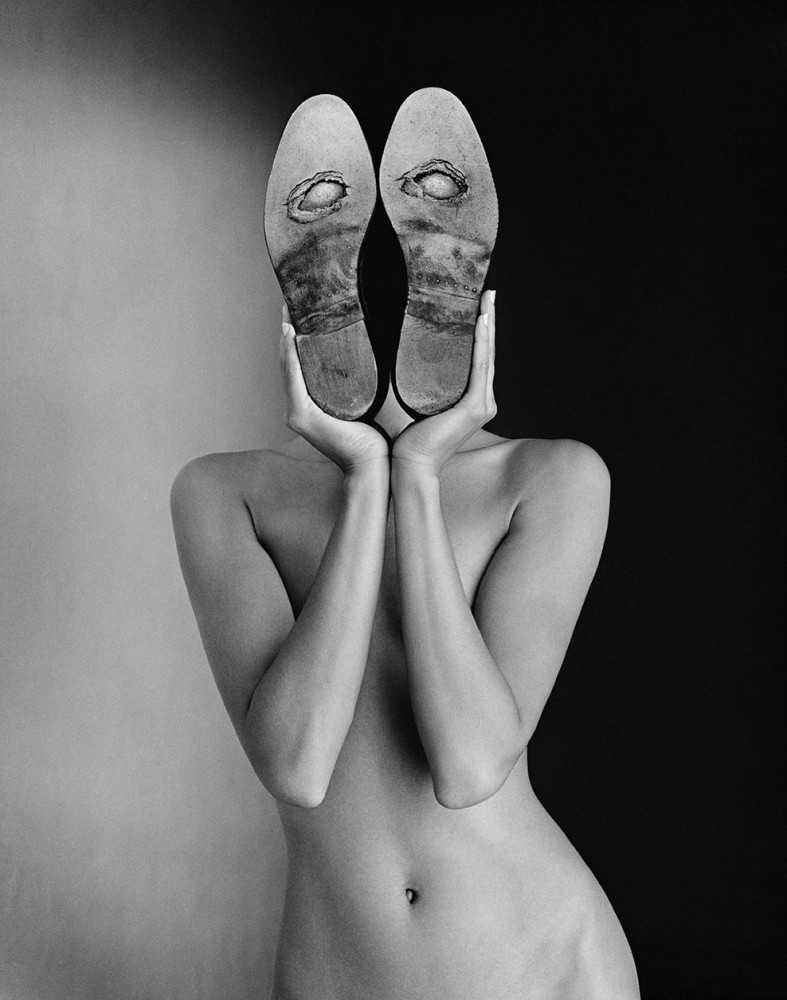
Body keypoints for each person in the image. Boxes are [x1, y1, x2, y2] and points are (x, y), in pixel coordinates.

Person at [170, 90, 640, 1000]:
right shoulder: (222, 495)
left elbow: (469, 765)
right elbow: (297, 766)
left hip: (541, 965)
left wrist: (416, 475)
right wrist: (364, 478)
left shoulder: (551, 479)